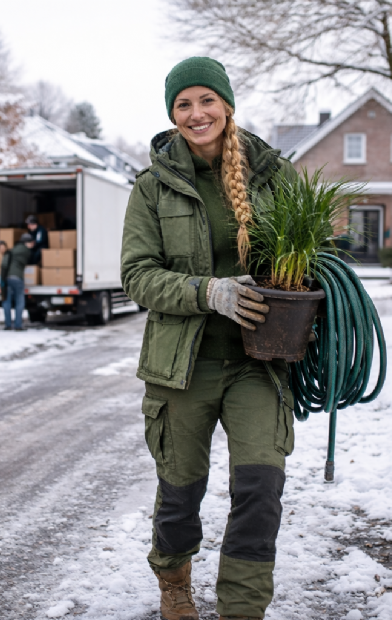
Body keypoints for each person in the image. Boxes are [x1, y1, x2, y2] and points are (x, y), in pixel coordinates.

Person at [120, 57, 299, 620]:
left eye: (206, 100)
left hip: (259, 362)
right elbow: (138, 275)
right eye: (183, 104)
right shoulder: (152, 188)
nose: (197, 114)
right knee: (180, 493)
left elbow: (314, 252)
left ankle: (242, 608)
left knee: (259, 489)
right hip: (183, 366)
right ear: (173, 115)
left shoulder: (275, 176)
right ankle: (174, 580)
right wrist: (208, 292)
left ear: (226, 104)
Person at [0, 233, 35, 331]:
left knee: (7, 301)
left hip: (8, 277)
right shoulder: (26, 251)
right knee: (19, 302)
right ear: (26, 243)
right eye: (31, 243)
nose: (32, 245)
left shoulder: (13, 249)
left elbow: (5, 263)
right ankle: (18, 325)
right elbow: (33, 258)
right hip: (18, 278)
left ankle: (7, 325)